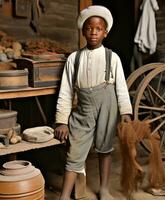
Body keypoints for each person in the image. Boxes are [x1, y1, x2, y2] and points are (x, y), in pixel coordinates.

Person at [54, 5, 132, 200]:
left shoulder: (112, 57)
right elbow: (65, 91)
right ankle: (64, 196)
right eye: (89, 28)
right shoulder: (74, 59)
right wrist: (62, 121)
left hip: (108, 105)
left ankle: (104, 189)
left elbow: (121, 88)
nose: (94, 32)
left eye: (98, 29)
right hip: (84, 108)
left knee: (105, 147)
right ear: (83, 31)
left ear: (105, 32)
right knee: (74, 151)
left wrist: (125, 112)